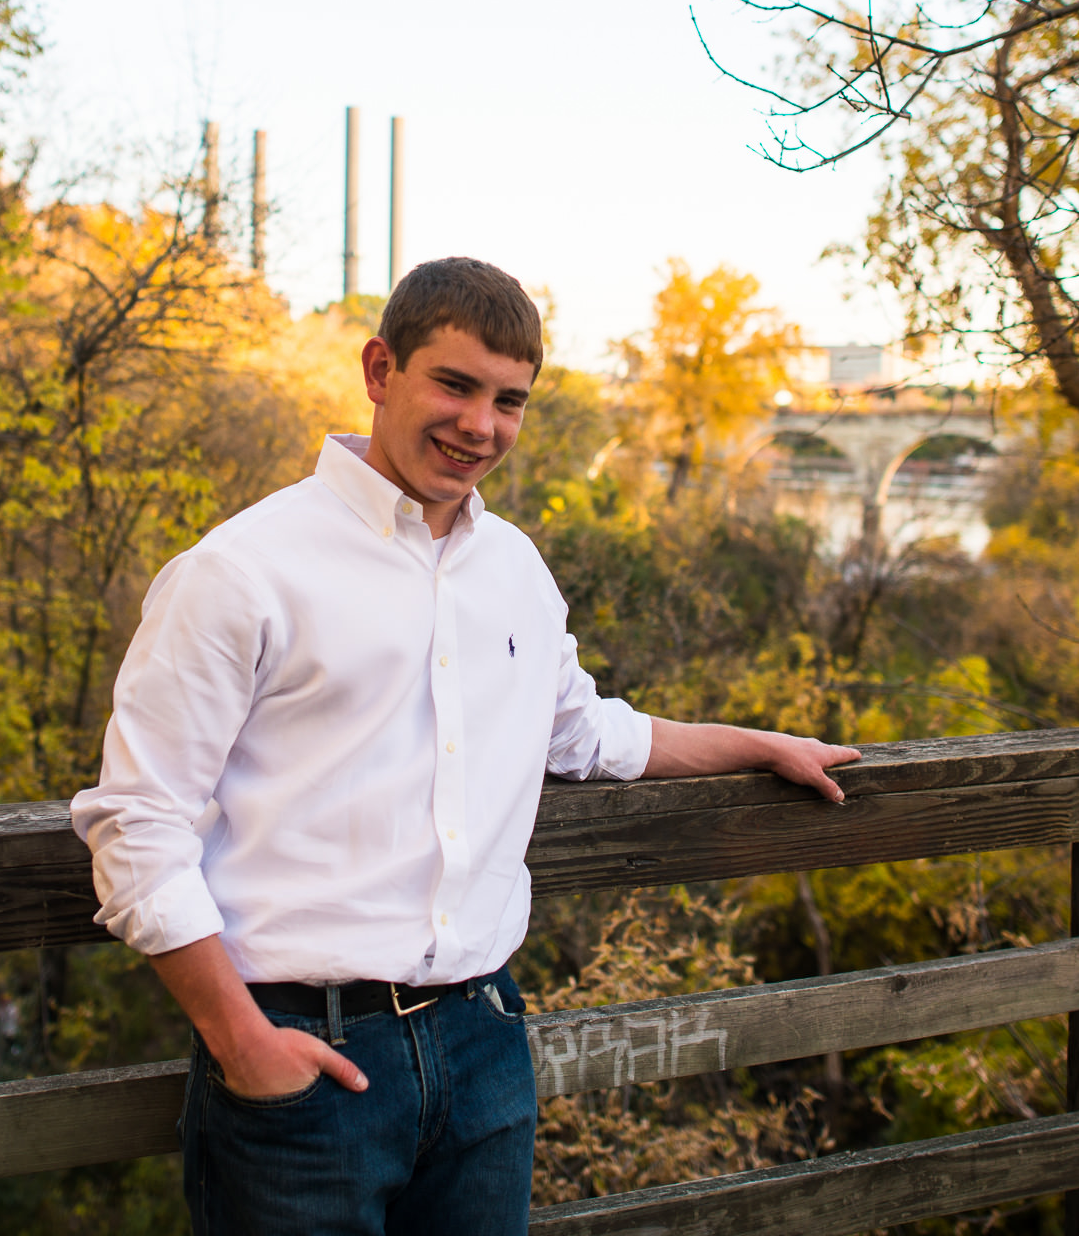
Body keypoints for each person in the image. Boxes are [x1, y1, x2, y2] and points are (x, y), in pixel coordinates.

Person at [69, 257, 860, 1236]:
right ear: (379, 368)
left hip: (484, 1039)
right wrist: (241, 1040)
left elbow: (581, 728)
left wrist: (758, 745)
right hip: (302, 1047)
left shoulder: (514, 568)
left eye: (509, 400)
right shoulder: (239, 571)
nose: (480, 424)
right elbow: (138, 821)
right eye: (454, 384)